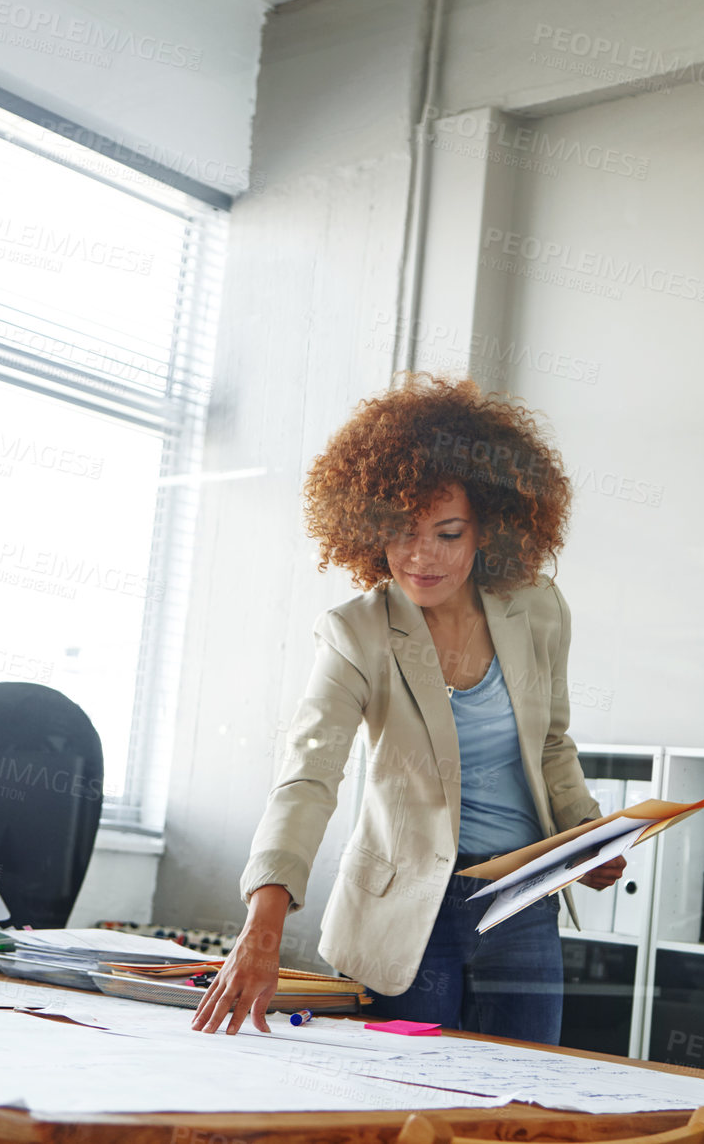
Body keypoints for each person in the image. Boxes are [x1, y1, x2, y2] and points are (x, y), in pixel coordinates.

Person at [191, 372, 623, 1043]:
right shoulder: (355, 632)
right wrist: (263, 923)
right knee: (403, 1105)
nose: (420, 556)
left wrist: (586, 839)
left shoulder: (537, 609)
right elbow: (308, 777)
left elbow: (551, 747)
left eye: (447, 533)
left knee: (522, 1103)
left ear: (490, 528)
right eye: (400, 531)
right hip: (406, 910)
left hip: (521, 900)